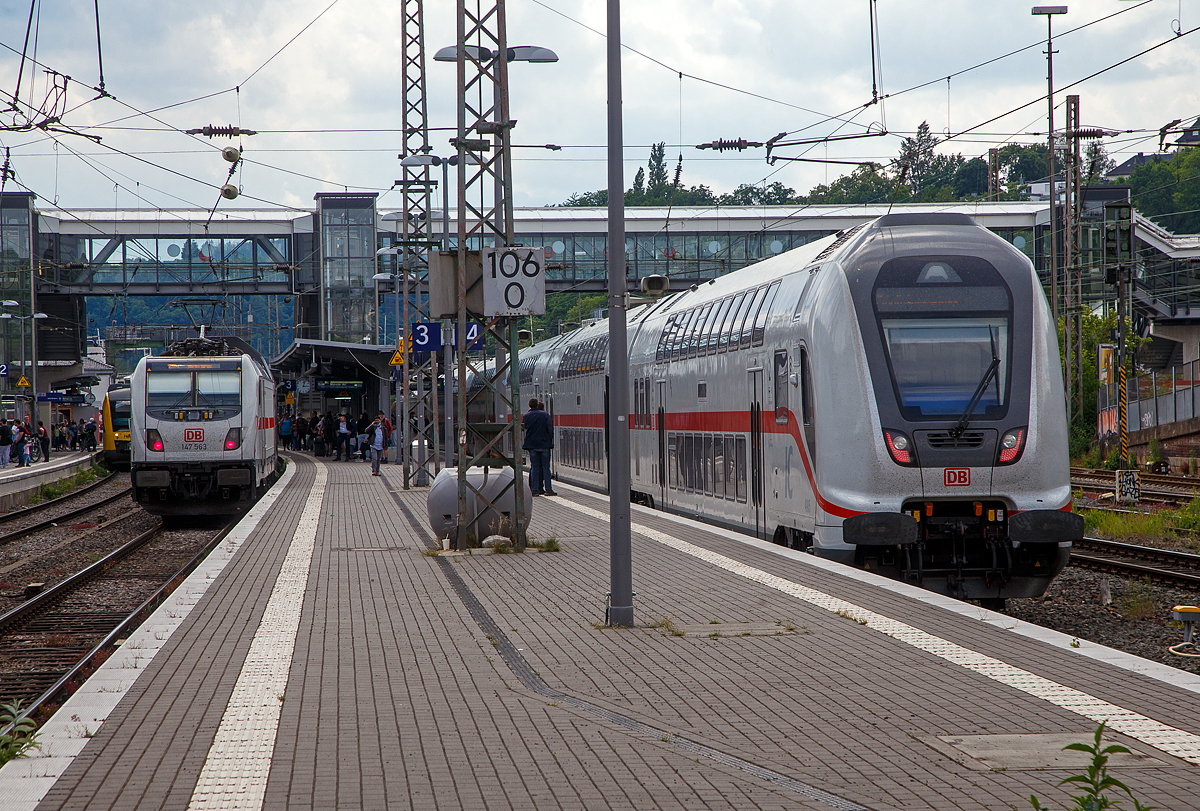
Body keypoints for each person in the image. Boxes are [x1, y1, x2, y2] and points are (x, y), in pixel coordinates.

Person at [522, 398, 555, 496]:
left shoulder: (526, 416)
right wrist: (549, 439)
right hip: (544, 444)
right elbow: (550, 428)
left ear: (529, 405)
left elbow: (525, 427)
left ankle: (534, 490)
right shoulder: (545, 414)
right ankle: (548, 489)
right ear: (537, 404)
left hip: (532, 445)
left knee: (534, 467)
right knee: (546, 467)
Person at [367, 411, 390, 476]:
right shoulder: (372, 428)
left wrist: (385, 445)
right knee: (374, 458)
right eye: (376, 420)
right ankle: (374, 470)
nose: (377, 422)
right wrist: (372, 424)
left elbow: (385, 437)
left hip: (380, 445)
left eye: (378, 420)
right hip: (373, 445)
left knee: (378, 459)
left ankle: (377, 471)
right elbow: (366, 431)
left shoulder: (383, 428)